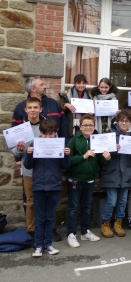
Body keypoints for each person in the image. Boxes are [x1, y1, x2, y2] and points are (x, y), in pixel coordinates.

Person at [23, 120, 71, 257]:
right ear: (41, 133)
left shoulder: (60, 146)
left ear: (55, 133)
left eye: (51, 134)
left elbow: (65, 166)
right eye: (46, 134)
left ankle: (48, 244)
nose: (48, 137)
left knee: (50, 217)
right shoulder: (34, 144)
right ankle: (38, 246)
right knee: (40, 218)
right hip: (38, 186)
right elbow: (28, 165)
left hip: (54, 186)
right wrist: (29, 153)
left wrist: (67, 155)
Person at [66, 114, 110, 248]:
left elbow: (101, 161)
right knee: (73, 208)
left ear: (94, 126)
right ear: (80, 126)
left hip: (90, 179)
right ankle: (71, 234)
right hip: (75, 179)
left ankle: (85, 232)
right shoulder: (73, 140)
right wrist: (84, 156)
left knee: (86, 207)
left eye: (91, 125)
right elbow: (67, 161)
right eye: (85, 125)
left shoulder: (97, 140)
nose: (88, 127)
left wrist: (107, 158)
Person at [10, 97, 45, 239]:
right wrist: (19, 149)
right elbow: (14, 151)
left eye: (35, 107)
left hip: (45, 169)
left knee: (46, 201)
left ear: (40, 109)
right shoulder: (20, 129)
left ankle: (48, 228)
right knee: (30, 201)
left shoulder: (47, 125)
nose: (33, 110)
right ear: (25, 110)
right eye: (30, 108)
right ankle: (31, 229)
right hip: (28, 171)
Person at [100, 109, 131, 238]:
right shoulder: (109, 134)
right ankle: (105, 223)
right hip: (112, 173)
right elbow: (102, 153)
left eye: (127, 121)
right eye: (121, 120)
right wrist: (114, 150)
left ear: (130, 122)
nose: (124, 123)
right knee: (111, 201)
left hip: (126, 173)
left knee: (123, 201)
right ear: (117, 121)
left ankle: (118, 223)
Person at [12, 76, 69, 142]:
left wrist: (65, 146)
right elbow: (15, 133)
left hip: (53, 149)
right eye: (41, 85)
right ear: (33, 89)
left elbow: (64, 128)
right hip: (30, 150)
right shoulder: (20, 108)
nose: (45, 87)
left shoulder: (54, 104)